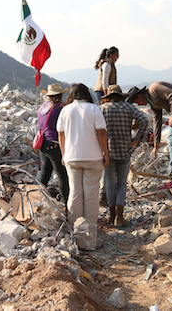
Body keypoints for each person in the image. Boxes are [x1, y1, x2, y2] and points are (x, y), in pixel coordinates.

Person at [57, 83, 109, 232]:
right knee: (92, 192)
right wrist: (106, 153)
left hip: (72, 157)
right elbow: (101, 133)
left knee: (75, 191)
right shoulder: (94, 109)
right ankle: (90, 228)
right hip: (93, 157)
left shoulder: (65, 110)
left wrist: (64, 154)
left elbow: (61, 134)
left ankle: (75, 227)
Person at [100, 85, 148, 226]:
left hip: (108, 150)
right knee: (122, 183)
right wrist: (136, 139)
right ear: (121, 96)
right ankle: (119, 217)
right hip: (125, 149)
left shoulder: (102, 109)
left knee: (110, 182)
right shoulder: (128, 108)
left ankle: (111, 215)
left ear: (108, 97)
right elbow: (144, 121)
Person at [127, 82, 172, 177]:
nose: (138, 104)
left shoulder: (154, 89)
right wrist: (156, 146)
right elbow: (157, 123)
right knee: (170, 138)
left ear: (139, 95)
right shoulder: (153, 104)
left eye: (136, 101)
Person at [36, 83, 70, 202]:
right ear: (60, 95)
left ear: (49, 96)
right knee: (62, 175)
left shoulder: (42, 107)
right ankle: (65, 202)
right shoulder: (61, 108)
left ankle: (37, 198)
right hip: (54, 143)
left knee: (45, 173)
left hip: (43, 143)